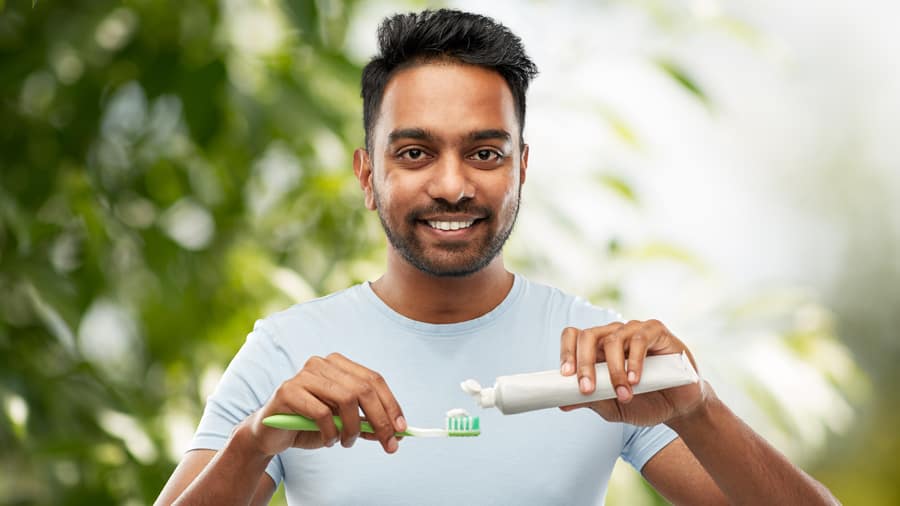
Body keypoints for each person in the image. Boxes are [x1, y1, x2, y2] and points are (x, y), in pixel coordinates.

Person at [156, 9, 839, 506]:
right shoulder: (287, 353)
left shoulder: (602, 365)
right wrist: (252, 445)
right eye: (415, 153)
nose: (452, 185)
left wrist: (698, 410)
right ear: (368, 177)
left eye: (484, 153)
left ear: (522, 168)